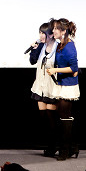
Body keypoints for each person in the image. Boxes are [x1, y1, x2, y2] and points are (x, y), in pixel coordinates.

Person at [46, 18, 80, 160]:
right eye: (53, 28)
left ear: (64, 31)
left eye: (56, 29)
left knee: (64, 117)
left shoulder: (69, 46)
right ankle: (72, 147)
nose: (53, 31)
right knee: (62, 116)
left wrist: (55, 70)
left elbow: (74, 68)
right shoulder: (61, 44)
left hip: (68, 86)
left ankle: (65, 150)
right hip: (61, 83)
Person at [29, 20, 58, 157]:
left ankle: (54, 147)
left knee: (51, 117)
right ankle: (49, 145)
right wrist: (34, 49)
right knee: (43, 118)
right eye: (39, 33)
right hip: (40, 86)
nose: (40, 36)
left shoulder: (58, 47)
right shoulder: (41, 46)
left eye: (43, 33)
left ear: (51, 35)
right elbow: (32, 61)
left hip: (52, 87)